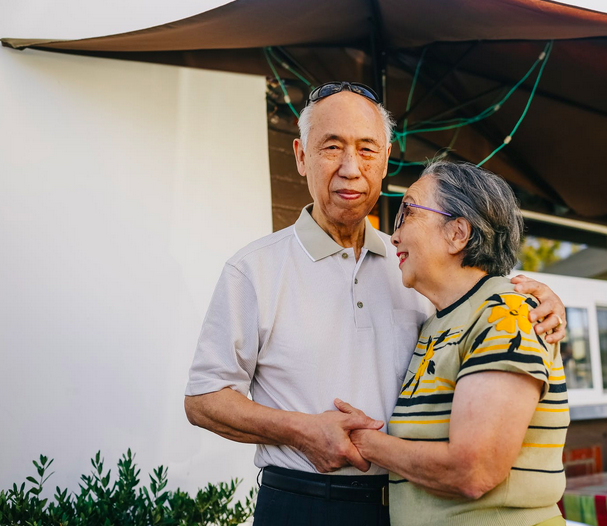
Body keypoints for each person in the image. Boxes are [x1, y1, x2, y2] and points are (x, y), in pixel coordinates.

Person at [183, 82, 567, 526]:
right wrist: (304, 431)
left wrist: (536, 299)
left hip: (416, 501)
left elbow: (477, 319)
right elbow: (203, 399)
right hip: (305, 503)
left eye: (367, 149)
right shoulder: (253, 269)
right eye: (331, 146)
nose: (351, 168)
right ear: (301, 156)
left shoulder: (415, 264)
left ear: (386, 159)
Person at [338, 161, 568, 526]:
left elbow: (472, 471)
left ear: (457, 233)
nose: (394, 236)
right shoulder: (440, 322)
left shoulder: (505, 315)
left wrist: (364, 442)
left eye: (407, 212)